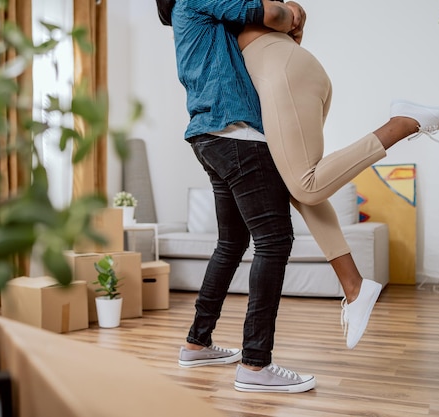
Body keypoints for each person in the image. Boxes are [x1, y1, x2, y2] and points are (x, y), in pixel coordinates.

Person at [235, 3, 439, 349]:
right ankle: (355, 288)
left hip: (280, 72)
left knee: (306, 184)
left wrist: (287, 16)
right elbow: (291, 10)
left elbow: (281, 11)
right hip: (290, 68)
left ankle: (401, 124)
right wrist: (293, 17)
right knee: (299, 187)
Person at [156, 0, 317, 394]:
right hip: (236, 132)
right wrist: (293, 16)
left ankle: (198, 342)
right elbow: (278, 15)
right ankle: (256, 365)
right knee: (274, 241)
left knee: (231, 243)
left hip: (211, 133)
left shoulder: (187, 9)